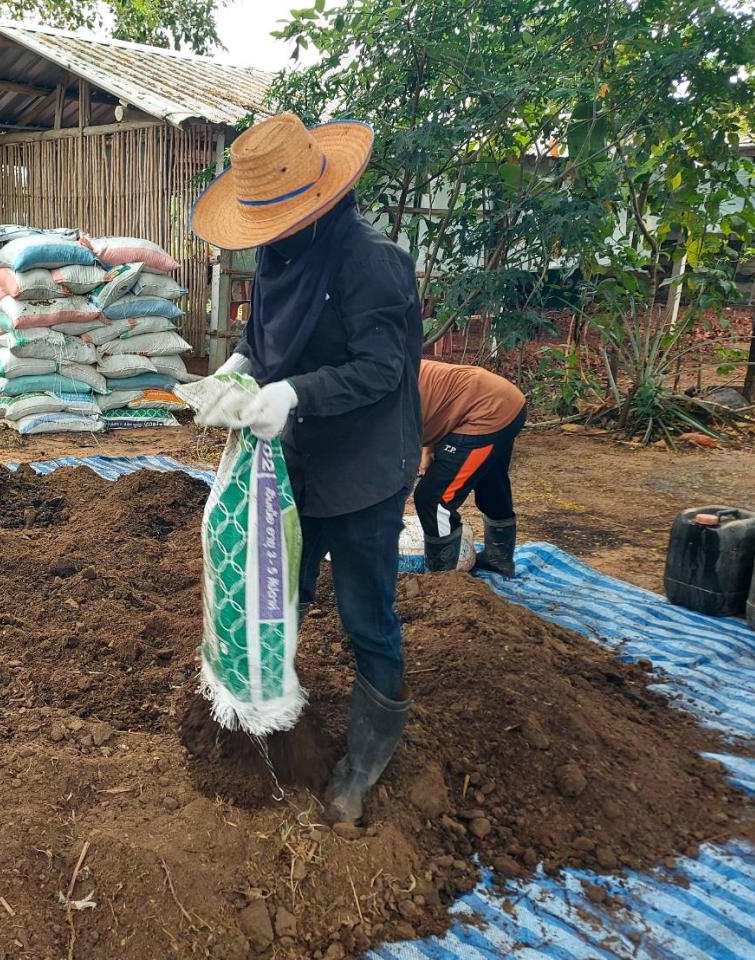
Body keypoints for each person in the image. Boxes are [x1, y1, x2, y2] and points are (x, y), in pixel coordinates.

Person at [191, 113, 423, 824]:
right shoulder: (277, 259)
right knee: (276, 596)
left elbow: (383, 368)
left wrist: (293, 393)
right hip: (294, 468)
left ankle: (363, 762)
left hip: (364, 472)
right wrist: (234, 371)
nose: (269, 234)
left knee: (365, 615)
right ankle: (270, 728)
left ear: (317, 203)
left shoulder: (371, 262)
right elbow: (263, 341)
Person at [415, 359, 527, 576]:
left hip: (486, 410)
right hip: (505, 399)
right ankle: (499, 560)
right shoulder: (382, 368)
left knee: (433, 499)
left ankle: (441, 581)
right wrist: (428, 450)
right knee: (490, 482)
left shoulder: (376, 386)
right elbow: (429, 404)